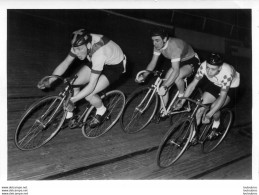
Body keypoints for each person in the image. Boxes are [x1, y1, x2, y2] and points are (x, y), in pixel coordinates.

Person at [37, 29, 126, 128]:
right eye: (75, 50)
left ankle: (102, 110)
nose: (77, 53)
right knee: (73, 83)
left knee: (89, 95)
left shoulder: (99, 53)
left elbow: (91, 85)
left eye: (80, 49)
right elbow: (66, 62)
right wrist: (50, 80)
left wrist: (72, 100)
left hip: (114, 67)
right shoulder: (78, 45)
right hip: (97, 60)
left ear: (88, 45)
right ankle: (69, 116)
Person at [135, 28, 200, 121]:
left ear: (165, 39)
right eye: (153, 40)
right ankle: (162, 111)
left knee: (176, 77)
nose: (154, 43)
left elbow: (176, 71)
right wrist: (144, 75)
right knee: (166, 81)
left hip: (191, 60)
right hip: (179, 59)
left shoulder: (174, 47)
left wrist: (165, 86)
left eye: (157, 40)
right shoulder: (158, 45)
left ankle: (182, 96)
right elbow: (153, 62)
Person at [176, 52, 240, 139]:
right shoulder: (203, 66)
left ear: (220, 68)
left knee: (214, 107)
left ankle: (217, 123)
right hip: (215, 84)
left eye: (213, 69)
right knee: (199, 109)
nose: (209, 71)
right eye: (208, 68)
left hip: (231, 88)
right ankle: (193, 135)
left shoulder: (227, 73)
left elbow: (222, 96)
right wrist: (181, 102)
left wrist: (209, 115)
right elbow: (192, 85)